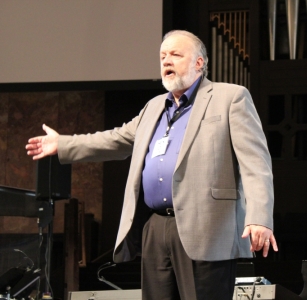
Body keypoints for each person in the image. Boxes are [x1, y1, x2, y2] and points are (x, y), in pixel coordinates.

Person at [26, 30, 277, 300]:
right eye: (162, 56)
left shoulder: (231, 98)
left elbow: (256, 164)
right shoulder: (154, 107)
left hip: (207, 225)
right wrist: (63, 144)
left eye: (176, 55)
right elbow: (115, 139)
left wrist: (259, 218)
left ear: (199, 63)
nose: (167, 61)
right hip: (157, 227)